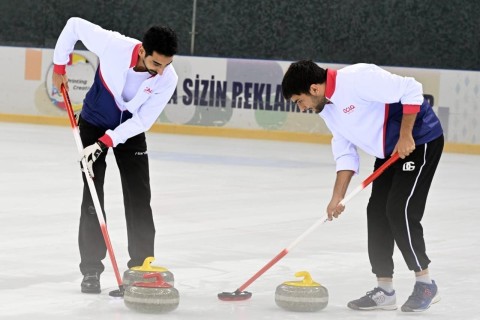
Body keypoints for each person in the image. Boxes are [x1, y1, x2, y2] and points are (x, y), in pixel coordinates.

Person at [282, 60, 443, 312]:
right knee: (377, 213)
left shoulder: (357, 79)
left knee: (399, 210)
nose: (301, 108)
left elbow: (412, 89)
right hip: (389, 150)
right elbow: (345, 149)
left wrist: (405, 135)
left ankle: (425, 283)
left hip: (419, 139)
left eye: (298, 101)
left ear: (314, 89)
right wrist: (337, 196)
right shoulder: (327, 109)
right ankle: (385, 290)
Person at [52, 17, 178, 293]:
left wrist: (107, 141)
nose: (161, 71)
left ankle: (141, 266)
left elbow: (143, 120)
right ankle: (91, 270)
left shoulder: (168, 78)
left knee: (139, 195)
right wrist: (59, 66)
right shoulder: (113, 45)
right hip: (94, 122)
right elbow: (73, 25)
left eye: (167, 65)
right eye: (157, 63)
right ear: (143, 50)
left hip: (129, 130)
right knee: (93, 195)